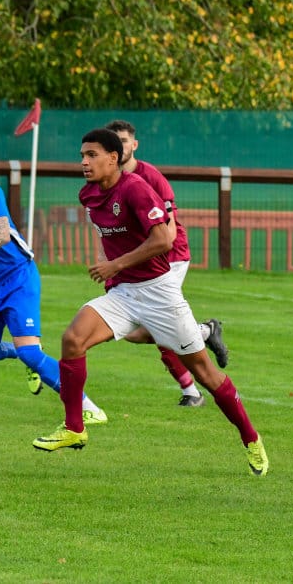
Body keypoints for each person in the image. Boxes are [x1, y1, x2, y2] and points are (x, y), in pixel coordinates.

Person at [32, 129, 269, 477]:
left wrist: (115, 265)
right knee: (73, 339)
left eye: (92, 155)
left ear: (113, 158)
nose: (84, 161)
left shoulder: (136, 188)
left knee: (205, 373)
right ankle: (74, 428)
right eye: (82, 155)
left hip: (159, 293)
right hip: (123, 293)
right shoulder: (88, 194)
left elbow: (163, 240)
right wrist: (113, 271)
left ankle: (251, 438)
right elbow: (107, 238)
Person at [0, 131, 107, 423]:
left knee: (32, 355)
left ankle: (89, 407)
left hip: (17, 277)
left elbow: (1, 234)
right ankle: (15, 351)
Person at [104, 120, 229, 407]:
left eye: (124, 140)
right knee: (133, 332)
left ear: (134, 145)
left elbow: (168, 233)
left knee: (158, 324)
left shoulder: (150, 177)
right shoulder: (107, 180)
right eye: (114, 141)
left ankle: (191, 391)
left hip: (169, 257)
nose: (119, 146)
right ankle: (205, 332)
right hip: (138, 261)